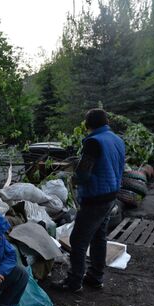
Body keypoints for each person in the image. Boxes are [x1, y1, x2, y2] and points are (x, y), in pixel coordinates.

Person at [53, 108, 125, 293]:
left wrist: (73, 177)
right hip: (110, 197)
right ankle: (95, 277)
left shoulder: (93, 142)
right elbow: (109, 164)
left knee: (77, 240)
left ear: (88, 124)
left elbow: (84, 174)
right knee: (99, 237)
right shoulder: (116, 139)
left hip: (95, 198)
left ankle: (74, 282)